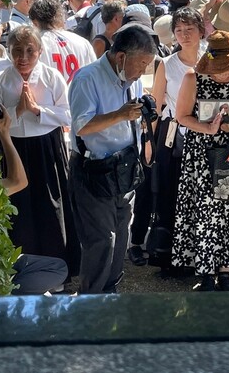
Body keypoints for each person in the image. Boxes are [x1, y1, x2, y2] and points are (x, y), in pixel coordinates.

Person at [68, 24, 156, 294]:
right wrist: (120, 114)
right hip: (94, 168)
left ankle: (111, 296)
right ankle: (91, 303)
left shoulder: (131, 78)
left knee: (121, 237)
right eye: (141, 65)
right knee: (101, 241)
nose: (142, 72)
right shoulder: (87, 78)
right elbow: (81, 126)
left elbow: (130, 116)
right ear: (121, 57)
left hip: (125, 167)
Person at [173, 30, 229, 291]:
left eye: (227, 69)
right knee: (205, 211)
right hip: (201, 152)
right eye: (217, 69)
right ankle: (205, 272)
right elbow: (181, 116)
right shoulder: (194, 77)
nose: (222, 74)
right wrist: (207, 128)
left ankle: (226, 270)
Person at [0, 26, 75, 274]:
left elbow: (67, 115)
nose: (23, 58)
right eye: (17, 51)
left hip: (47, 149)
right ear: (9, 52)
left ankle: (57, 270)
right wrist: (18, 110)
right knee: (20, 209)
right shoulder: (2, 81)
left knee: (51, 207)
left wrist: (38, 110)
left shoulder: (52, 77)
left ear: (40, 51)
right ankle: (20, 271)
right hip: (15, 150)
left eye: (30, 51)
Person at [138, 7, 206, 271]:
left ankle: (200, 255)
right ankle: (170, 256)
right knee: (171, 194)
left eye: (190, 29)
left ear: (201, 30)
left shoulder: (212, 60)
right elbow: (155, 106)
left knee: (200, 197)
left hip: (206, 136)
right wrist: (148, 141)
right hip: (173, 136)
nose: (184, 35)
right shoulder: (167, 64)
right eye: (179, 30)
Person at [29, 0, 97, 84]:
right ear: (60, 15)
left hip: (48, 97)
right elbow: (94, 77)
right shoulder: (83, 42)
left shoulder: (33, 45)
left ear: (34, 22)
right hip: (78, 96)